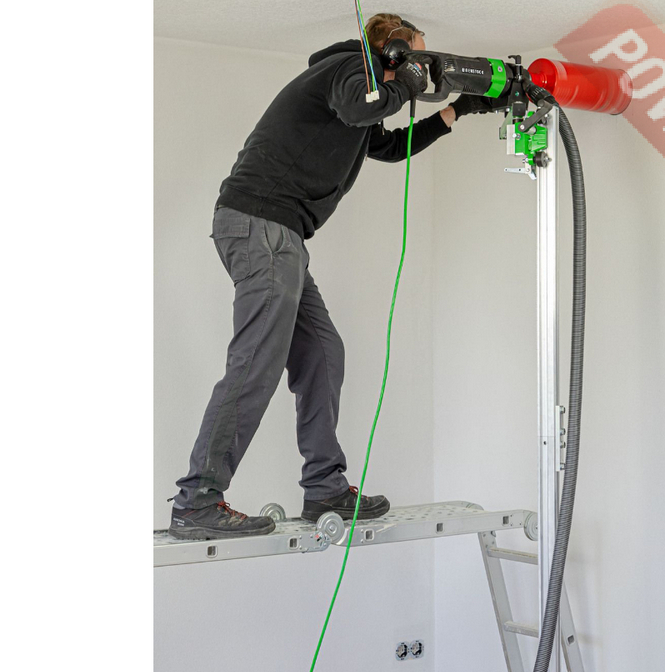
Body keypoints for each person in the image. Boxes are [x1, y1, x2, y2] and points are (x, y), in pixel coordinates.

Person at [168, 14, 492, 540]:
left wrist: (458, 110)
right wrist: (407, 82)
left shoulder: (362, 94)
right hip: (261, 224)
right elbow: (359, 106)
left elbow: (387, 146)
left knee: (322, 352)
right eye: (415, 55)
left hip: (279, 235)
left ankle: (325, 488)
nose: (421, 68)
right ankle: (197, 501)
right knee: (256, 361)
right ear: (391, 51)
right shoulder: (347, 69)